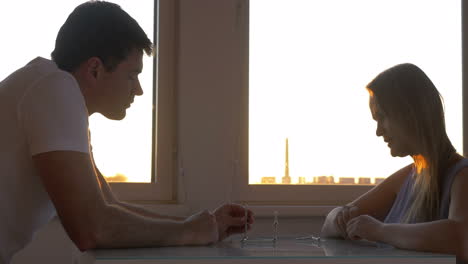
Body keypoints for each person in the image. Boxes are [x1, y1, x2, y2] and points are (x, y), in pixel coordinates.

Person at [0, 1, 253, 263]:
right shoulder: (54, 89)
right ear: (95, 69)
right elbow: (92, 228)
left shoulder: (49, 87)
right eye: (132, 75)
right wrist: (192, 230)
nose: (139, 90)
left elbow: (108, 208)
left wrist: (201, 224)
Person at [320, 63, 468, 259]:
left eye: (382, 117)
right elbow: (329, 226)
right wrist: (340, 216)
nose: (379, 131)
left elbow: (460, 239)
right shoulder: (407, 176)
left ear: (409, 113)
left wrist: (379, 231)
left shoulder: (462, 177)